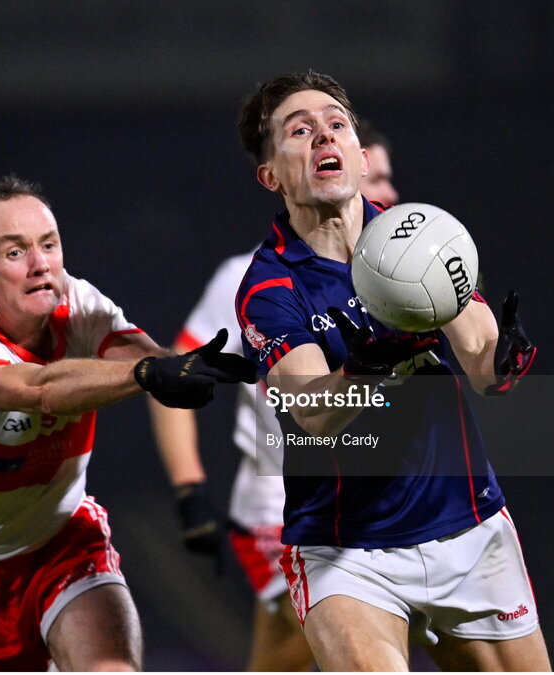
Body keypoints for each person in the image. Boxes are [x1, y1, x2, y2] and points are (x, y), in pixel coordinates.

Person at [231, 70, 550, 671]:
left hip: (466, 525)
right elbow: (313, 412)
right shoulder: (270, 286)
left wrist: (504, 359)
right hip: (346, 550)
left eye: (336, 125)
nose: (324, 137)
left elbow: (484, 364)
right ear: (271, 174)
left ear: (358, 151)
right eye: (300, 131)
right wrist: (370, 366)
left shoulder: (419, 238)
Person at [0, 175, 256, 671]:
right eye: (14, 252)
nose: (40, 264)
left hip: (64, 541)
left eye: (49, 245)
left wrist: (175, 370)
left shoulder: (77, 300)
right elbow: (40, 389)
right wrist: (149, 373)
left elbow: (137, 354)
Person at [147, 121, 402, 671]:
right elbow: (174, 374)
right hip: (286, 514)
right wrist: (190, 493)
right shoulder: (251, 278)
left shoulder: (406, 279)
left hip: (382, 506)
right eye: (374, 177)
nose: (390, 193)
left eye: (385, 176)